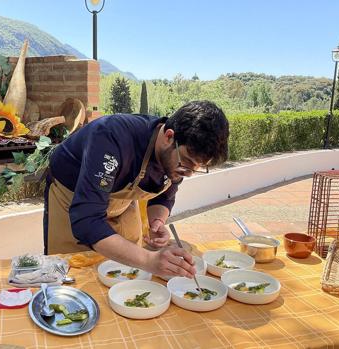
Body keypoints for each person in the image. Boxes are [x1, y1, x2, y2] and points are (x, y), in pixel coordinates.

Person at [43, 100, 229, 278]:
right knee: (74, 273)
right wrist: (149, 260)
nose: (188, 173)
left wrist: (156, 221)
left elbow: (164, 196)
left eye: (197, 167)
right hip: (72, 198)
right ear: (169, 136)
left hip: (121, 204)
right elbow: (87, 221)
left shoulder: (177, 158)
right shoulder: (111, 136)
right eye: (187, 162)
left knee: (126, 272)